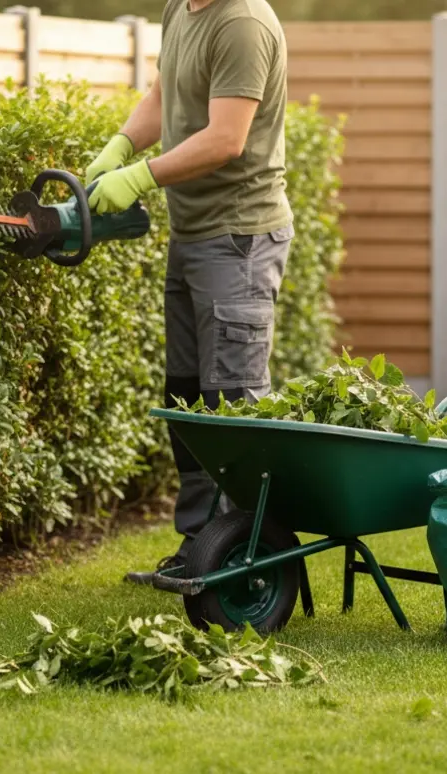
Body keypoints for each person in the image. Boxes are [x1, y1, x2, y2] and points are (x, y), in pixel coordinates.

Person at [85, 0, 292, 576]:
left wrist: (141, 175)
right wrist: (123, 145)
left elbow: (226, 137)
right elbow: (163, 92)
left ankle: (248, 553)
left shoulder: (242, 22)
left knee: (233, 403)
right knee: (187, 396)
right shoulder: (182, 7)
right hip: (194, 234)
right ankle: (202, 543)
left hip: (239, 240)